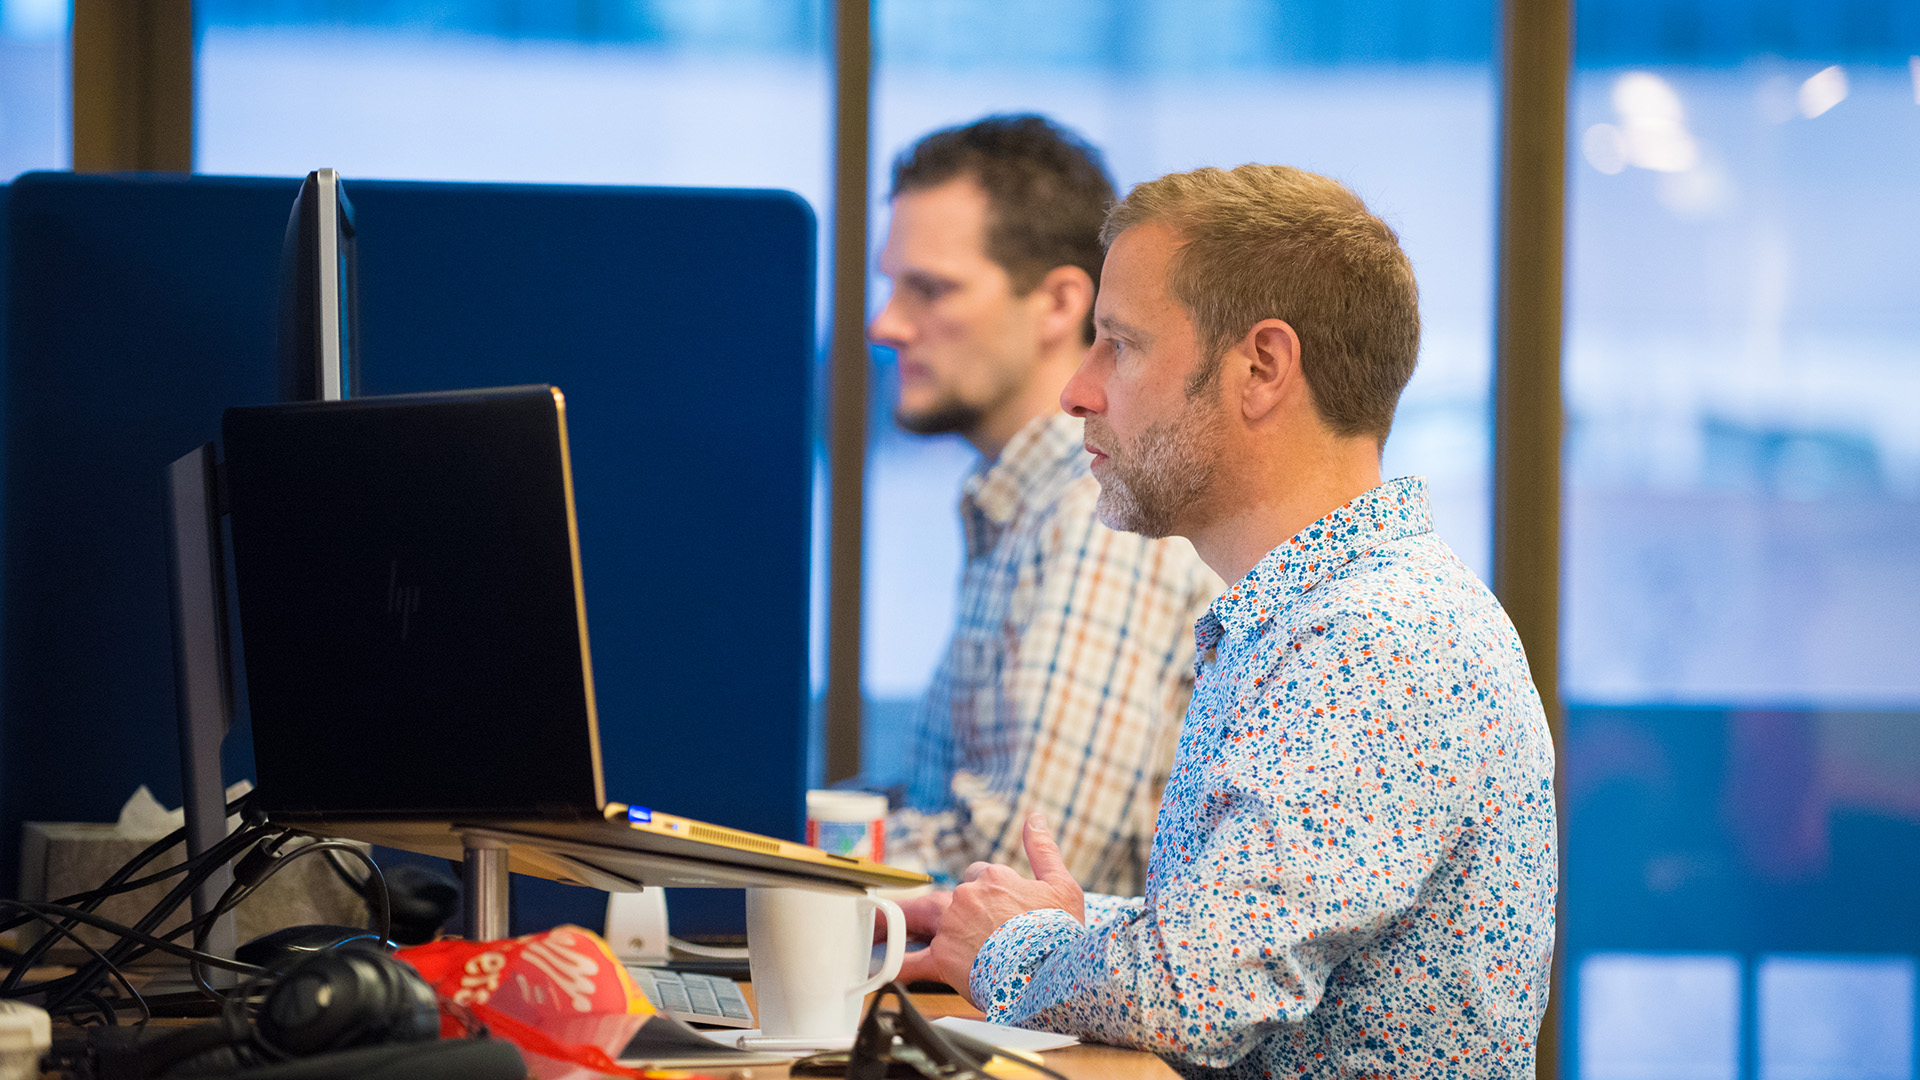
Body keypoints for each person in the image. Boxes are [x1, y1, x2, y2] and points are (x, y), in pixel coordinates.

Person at [901, 164, 1559, 1078]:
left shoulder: (1381, 640)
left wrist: (1011, 952)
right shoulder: (1311, 618)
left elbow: (1196, 994)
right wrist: (1062, 924)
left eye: (1118, 346)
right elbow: (1258, 942)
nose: (1076, 392)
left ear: (1260, 369)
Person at [868, 115, 1221, 897]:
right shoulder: (1024, 504)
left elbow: (1031, 872)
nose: (886, 323)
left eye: (930, 289)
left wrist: (817, 852)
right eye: (890, 285)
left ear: (1062, 303)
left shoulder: (1098, 515)